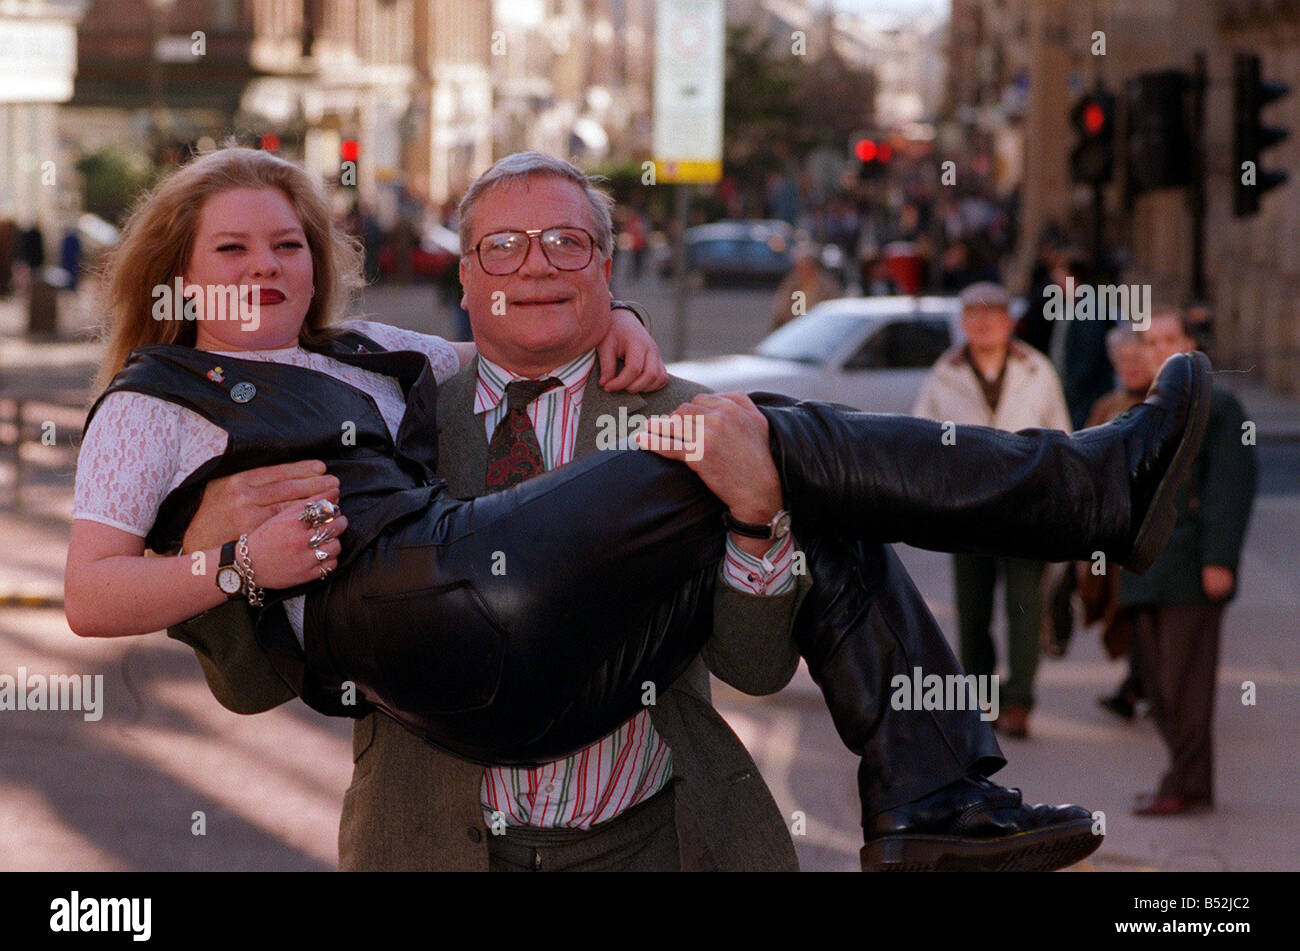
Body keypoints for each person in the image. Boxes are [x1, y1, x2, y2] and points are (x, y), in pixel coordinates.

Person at [71, 148, 1211, 871]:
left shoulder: (374, 356)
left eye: (569, 245)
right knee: (762, 434)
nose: (265, 265)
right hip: (435, 677)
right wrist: (235, 565)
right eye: (231, 247)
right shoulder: (152, 407)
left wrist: (744, 505)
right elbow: (94, 596)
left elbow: (759, 667)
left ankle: (935, 791)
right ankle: (1088, 493)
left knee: (787, 476)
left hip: (639, 816)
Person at [913, 282, 1072, 739]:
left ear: (1008, 323)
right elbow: (922, 438)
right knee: (972, 610)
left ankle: (1019, 701)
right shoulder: (945, 371)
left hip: (1027, 511)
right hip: (968, 511)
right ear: (962, 324)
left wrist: (1057, 500)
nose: (982, 325)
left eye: (992, 316)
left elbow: (1061, 436)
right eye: (973, 316)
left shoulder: (1036, 369)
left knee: (1024, 608)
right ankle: (980, 702)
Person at [1123, 310, 1257, 816]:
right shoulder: (1141, 407)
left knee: (1185, 686)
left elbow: (1231, 484)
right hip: (1143, 570)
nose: (1158, 349)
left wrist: (1220, 558)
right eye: (1150, 341)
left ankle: (1186, 784)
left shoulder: (1218, 406)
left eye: (1168, 339)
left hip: (1192, 567)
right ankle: (1185, 779)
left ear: (1189, 344)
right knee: (1156, 688)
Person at [1085, 328, 1154, 719]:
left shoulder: (1164, 404)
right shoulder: (1107, 406)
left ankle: (1138, 687)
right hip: (1116, 528)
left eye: (1137, 359)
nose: (1129, 367)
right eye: (1122, 361)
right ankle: (1136, 684)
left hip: (1152, 527)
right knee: (1124, 607)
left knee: (1142, 608)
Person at [770, 244, 841, 331]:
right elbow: (781, 310)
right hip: (795, 330)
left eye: (806, 266)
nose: (802, 270)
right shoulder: (793, 284)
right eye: (799, 266)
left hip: (818, 330)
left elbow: (834, 310)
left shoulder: (826, 286)